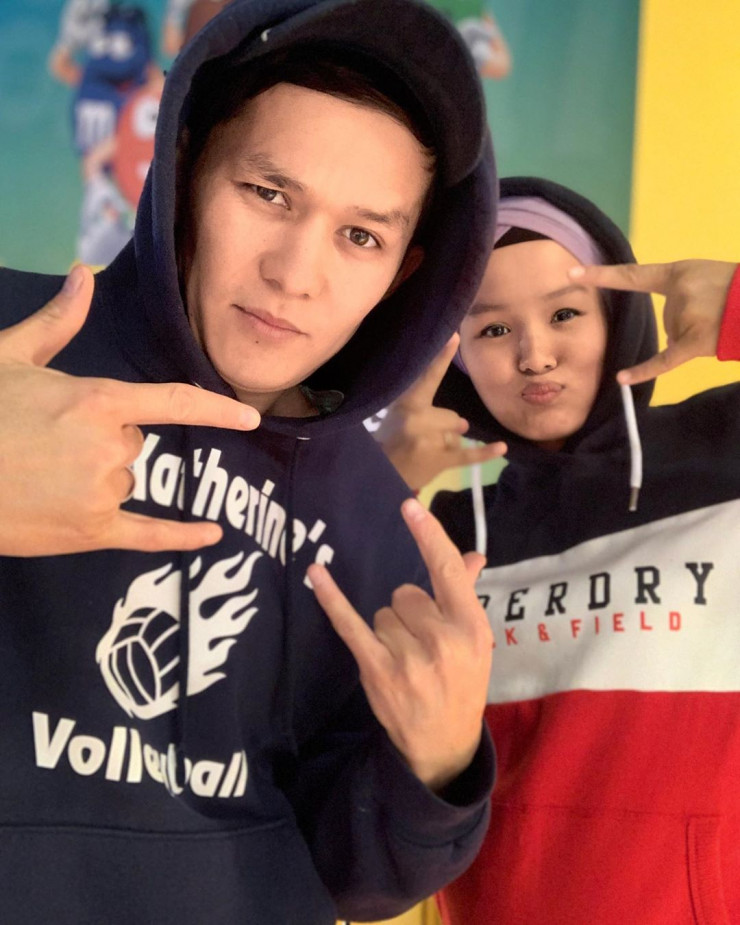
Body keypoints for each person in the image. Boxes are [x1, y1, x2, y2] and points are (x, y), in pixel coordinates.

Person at [0, 1, 499, 922]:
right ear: (186, 171)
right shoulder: (14, 348)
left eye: (361, 236)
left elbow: (354, 876)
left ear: (403, 271)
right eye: (269, 194)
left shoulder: (381, 525)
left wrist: (438, 762)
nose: (295, 274)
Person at [380, 176, 740, 924]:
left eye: (565, 313)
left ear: (617, 316)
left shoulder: (724, 449)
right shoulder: (442, 534)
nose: (535, 356)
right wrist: (373, 487)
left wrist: (737, 303)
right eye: (492, 330)